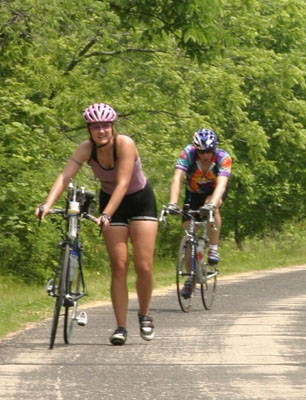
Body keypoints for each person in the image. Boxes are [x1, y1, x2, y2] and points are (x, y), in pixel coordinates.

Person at [36, 103, 158, 346]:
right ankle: (121, 327)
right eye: (95, 127)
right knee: (118, 265)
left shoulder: (125, 144)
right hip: (111, 202)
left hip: (139, 200)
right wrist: (47, 204)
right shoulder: (86, 149)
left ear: (113, 126)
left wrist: (106, 214)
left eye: (106, 125)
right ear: (89, 129)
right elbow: (65, 176)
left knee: (143, 266)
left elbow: (123, 184)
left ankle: (144, 314)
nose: (101, 131)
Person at [166, 128, 231, 298]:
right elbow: (177, 178)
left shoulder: (223, 158)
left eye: (209, 151)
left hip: (214, 191)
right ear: (196, 149)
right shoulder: (187, 154)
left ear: (214, 148)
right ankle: (190, 279)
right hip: (193, 193)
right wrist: (173, 202)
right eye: (201, 151)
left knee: (212, 205)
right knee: (189, 238)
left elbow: (222, 185)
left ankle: (214, 248)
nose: (205, 155)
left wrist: (212, 204)